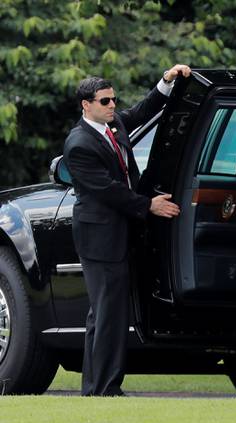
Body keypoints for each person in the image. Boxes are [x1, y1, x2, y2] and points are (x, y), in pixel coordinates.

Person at [63, 64, 191, 396]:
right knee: (110, 314)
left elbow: (141, 112)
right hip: (99, 240)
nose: (112, 106)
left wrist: (165, 82)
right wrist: (148, 204)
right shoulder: (78, 144)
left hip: (116, 235)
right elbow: (107, 190)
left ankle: (95, 386)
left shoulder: (113, 124)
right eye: (105, 101)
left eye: (113, 100)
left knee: (103, 314)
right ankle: (106, 387)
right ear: (86, 105)